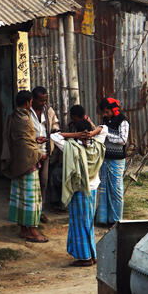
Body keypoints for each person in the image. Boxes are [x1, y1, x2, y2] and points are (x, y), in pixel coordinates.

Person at [50, 105, 106, 266]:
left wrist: (75, 135)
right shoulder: (97, 144)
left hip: (80, 190)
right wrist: (92, 133)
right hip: (94, 188)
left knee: (79, 222)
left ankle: (85, 257)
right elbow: (104, 129)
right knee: (88, 222)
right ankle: (92, 254)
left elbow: (55, 137)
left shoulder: (73, 146)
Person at [4, 90, 47, 242]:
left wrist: (36, 140)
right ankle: (32, 232)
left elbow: (23, 139)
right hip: (27, 164)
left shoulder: (14, 115)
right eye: (30, 102)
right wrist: (39, 155)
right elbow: (24, 144)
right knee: (31, 198)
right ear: (27, 103)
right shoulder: (23, 118)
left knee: (20, 196)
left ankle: (23, 229)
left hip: (18, 163)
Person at [96, 97, 129, 226]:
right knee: (104, 189)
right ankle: (104, 219)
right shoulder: (105, 120)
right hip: (105, 158)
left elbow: (123, 140)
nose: (105, 114)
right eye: (104, 112)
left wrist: (106, 134)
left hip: (117, 160)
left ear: (113, 109)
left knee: (116, 190)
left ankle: (116, 220)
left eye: (107, 112)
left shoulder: (123, 121)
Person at [30, 86, 61, 221]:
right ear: (33, 99)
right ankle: (31, 212)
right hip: (31, 153)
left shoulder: (48, 110)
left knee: (43, 182)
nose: (43, 103)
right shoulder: (26, 112)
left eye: (45, 100)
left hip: (45, 152)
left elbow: (55, 123)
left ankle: (40, 211)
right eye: (41, 100)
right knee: (32, 183)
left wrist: (55, 130)